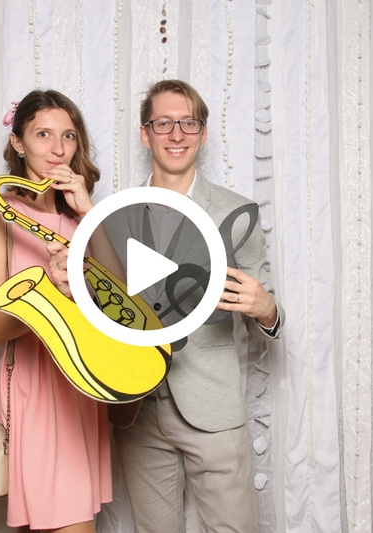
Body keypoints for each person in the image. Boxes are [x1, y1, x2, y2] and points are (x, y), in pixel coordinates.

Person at [103, 79, 284, 532]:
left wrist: (266, 309)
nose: (176, 134)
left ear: (202, 135)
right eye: (164, 123)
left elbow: (264, 312)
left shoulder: (236, 212)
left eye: (188, 123)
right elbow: (106, 306)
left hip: (212, 405)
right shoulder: (111, 215)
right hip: (138, 408)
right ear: (145, 134)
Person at [0, 89, 122, 533]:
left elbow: (123, 301)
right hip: (37, 388)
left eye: (68, 136)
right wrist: (49, 290)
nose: (57, 149)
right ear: (18, 143)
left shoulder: (77, 219)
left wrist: (89, 212)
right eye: (43, 134)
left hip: (83, 387)